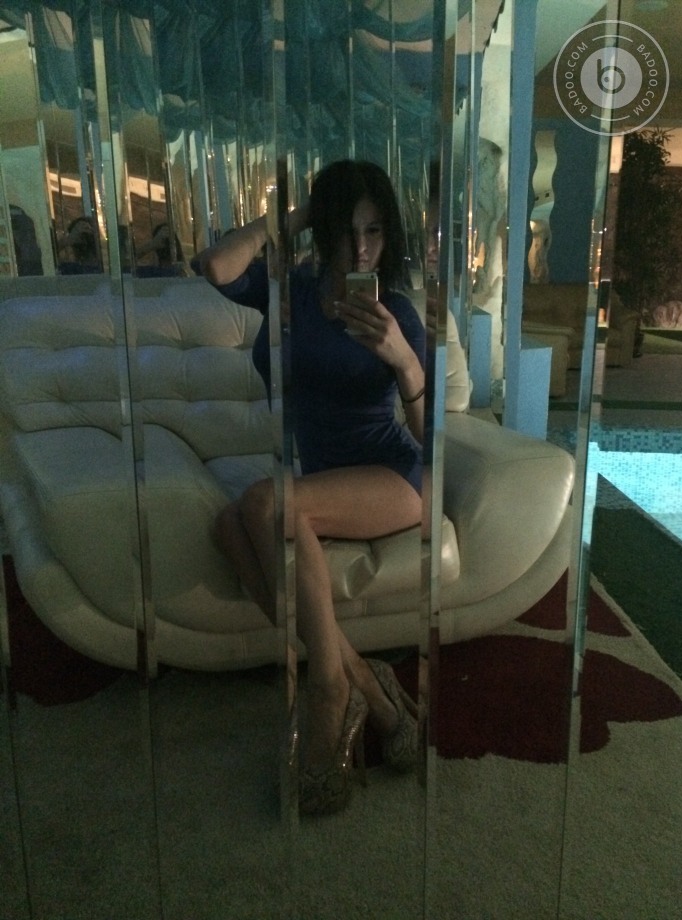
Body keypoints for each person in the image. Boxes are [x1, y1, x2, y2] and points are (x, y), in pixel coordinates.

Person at [198, 159, 425, 816]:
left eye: (374, 231)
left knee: (264, 502)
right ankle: (367, 684)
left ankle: (327, 688)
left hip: (390, 476)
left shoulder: (396, 311)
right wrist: (296, 217)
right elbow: (217, 267)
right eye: (347, 230)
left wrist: (402, 359)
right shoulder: (290, 292)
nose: (361, 247)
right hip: (321, 478)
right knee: (229, 527)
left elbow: (431, 432)